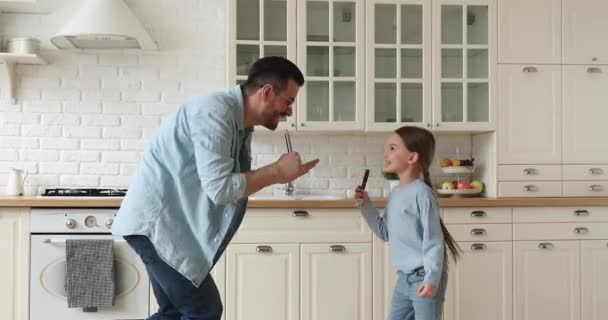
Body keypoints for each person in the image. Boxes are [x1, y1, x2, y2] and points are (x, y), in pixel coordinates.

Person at [111, 56, 319, 320]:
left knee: (174, 312)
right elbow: (221, 189)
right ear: (267, 92)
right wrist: (277, 171)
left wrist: (279, 174)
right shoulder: (214, 111)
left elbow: (230, 185)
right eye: (289, 101)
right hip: (156, 228)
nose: (290, 111)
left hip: (167, 229)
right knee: (204, 311)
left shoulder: (240, 125)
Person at [354, 126, 460, 320]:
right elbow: (384, 232)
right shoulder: (396, 193)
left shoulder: (422, 193)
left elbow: (434, 240)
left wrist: (432, 279)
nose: (387, 154)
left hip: (424, 277)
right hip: (404, 278)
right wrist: (366, 205)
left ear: (412, 158)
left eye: (393, 148)